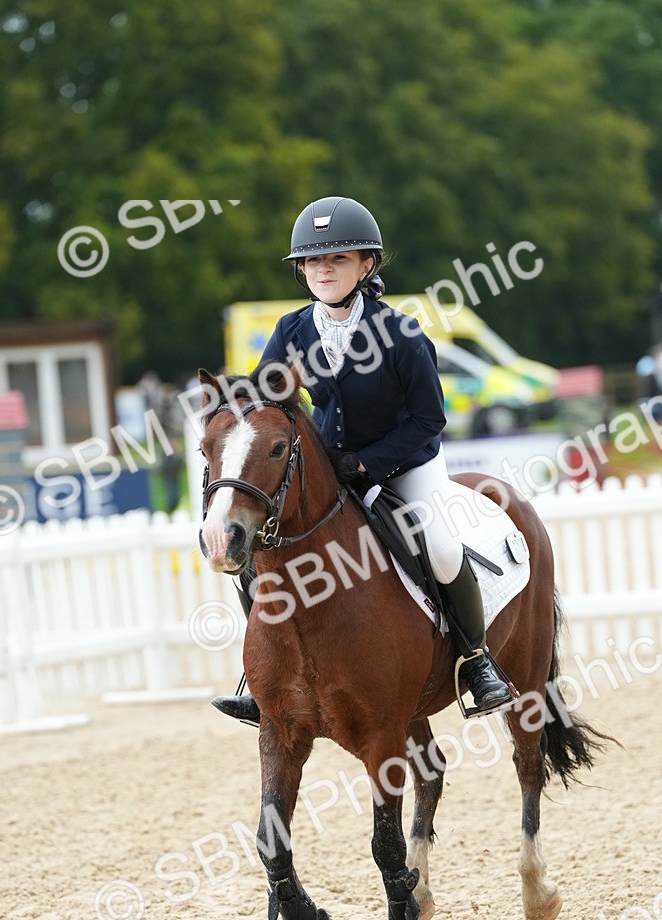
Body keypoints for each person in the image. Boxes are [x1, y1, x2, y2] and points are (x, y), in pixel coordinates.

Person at [213, 196, 514, 724]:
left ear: (366, 265)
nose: (322, 271)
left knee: (441, 548)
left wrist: (368, 464)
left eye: (337, 260)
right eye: (312, 262)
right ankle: (262, 678)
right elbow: (265, 404)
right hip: (326, 467)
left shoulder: (402, 334)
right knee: (256, 560)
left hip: (406, 464)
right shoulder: (291, 330)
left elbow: (428, 421)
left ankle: (476, 660)